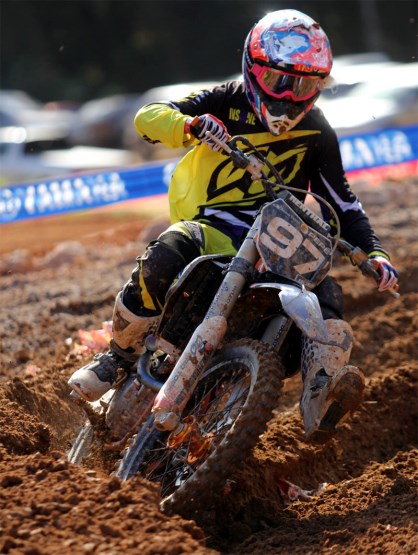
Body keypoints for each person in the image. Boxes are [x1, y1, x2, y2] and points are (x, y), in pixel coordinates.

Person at [68, 9, 398, 443]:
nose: (289, 97)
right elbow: (148, 117)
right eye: (279, 81)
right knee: (165, 254)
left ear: (319, 87)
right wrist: (189, 125)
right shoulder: (227, 100)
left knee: (328, 294)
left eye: (304, 86)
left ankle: (322, 392)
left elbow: (342, 202)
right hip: (215, 229)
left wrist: (373, 252)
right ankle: (118, 356)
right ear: (253, 70)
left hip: (280, 245)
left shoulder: (318, 131)